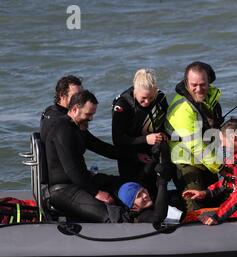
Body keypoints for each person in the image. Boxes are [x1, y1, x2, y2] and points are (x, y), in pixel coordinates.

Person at [45, 90, 128, 222]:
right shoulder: (62, 129)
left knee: (123, 186)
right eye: (88, 114)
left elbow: (103, 148)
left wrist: (134, 155)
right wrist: (96, 193)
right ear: (74, 109)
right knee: (109, 216)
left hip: (82, 181)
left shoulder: (78, 127)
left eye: (92, 114)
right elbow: (71, 170)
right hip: (63, 189)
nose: (91, 118)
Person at [165, 61, 225, 212]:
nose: (199, 89)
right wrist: (221, 168)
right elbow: (196, 146)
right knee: (196, 209)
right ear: (186, 83)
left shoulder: (210, 98)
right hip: (186, 163)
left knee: (218, 201)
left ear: (209, 82)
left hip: (207, 160)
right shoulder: (182, 109)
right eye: (194, 85)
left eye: (203, 84)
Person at [112, 69, 169, 197]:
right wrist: (145, 139)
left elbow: (165, 124)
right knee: (135, 194)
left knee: (152, 191)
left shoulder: (160, 98)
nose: (147, 102)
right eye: (143, 98)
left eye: (151, 97)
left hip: (151, 152)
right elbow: (118, 139)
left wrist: (164, 133)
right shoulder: (122, 106)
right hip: (129, 154)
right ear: (135, 91)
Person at [40, 75, 118, 159]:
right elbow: (95, 145)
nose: (81, 99)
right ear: (62, 96)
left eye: (81, 95)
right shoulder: (63, 122)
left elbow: (94, 143)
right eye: (75, 96)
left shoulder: (50, 111)